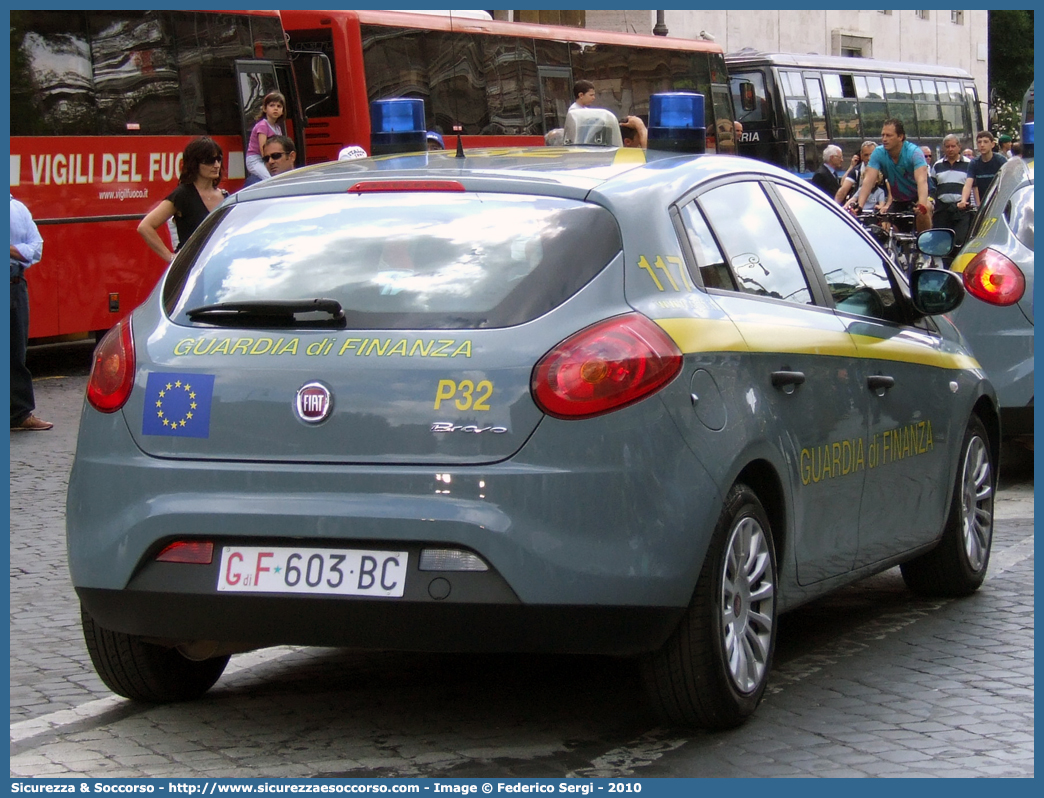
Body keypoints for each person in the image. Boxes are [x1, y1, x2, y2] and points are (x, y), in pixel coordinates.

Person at [137, 137, 227, 263]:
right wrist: (171, 258)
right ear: (195, 164)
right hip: (192, 267)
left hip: (219, 265)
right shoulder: (183, 194)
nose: (216, 165)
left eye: (219, 159)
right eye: (209, 161)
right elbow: (145, 226)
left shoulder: (225, 197)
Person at [10, 194, 51, 431]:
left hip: (15, 284)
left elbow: (36, 249)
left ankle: (19, 414)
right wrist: (20, 250)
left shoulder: (18, 208)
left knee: (16, 352)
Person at [853, 118, 932, 233]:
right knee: (885, 230)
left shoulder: (914, 152)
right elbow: (868, 181)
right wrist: (859, 206)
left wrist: (922, 204)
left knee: (924, 211)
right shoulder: (879, 153)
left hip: (919, 196)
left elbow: (922, 181)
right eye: (883, 135)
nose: (884, 139)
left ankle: (923, 246)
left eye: (889, 135)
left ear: (900, 137)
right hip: (898, 200)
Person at [930, 134, 973, 247]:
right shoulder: (937, 165)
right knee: (942, 242)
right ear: (944, 148)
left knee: (960, 242)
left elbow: (973, 187)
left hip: (961, 210)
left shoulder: (969, 164)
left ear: (959, 147)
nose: (950, 149)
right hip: (942, 210)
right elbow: (933, 187)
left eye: (953, 146)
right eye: (947, 146)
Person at [960, 130, 1007, 211]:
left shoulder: (1001, 160)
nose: (982, 145)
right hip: (984, 204)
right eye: (979, 142)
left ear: (992, 144)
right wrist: (963, 200)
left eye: (985, 142)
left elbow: (1007, 181)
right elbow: (968, 184)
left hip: (1000, 202)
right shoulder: (974, 163)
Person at [245, 91, 286, 182]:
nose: (275, 108)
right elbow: (263, 148)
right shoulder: (263, 125)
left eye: (279, 106)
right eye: (272, 105)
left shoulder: (278, 128)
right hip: (256, 159)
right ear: (264, 109)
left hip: (269, 159)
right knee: (268, 179)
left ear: (282, 111)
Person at [836, 140, 876, 205]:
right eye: (866, 155)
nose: (869, 158)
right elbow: (843, 189)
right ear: (861, 155)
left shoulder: (884, 169)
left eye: (872, 155)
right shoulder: (856, 170)